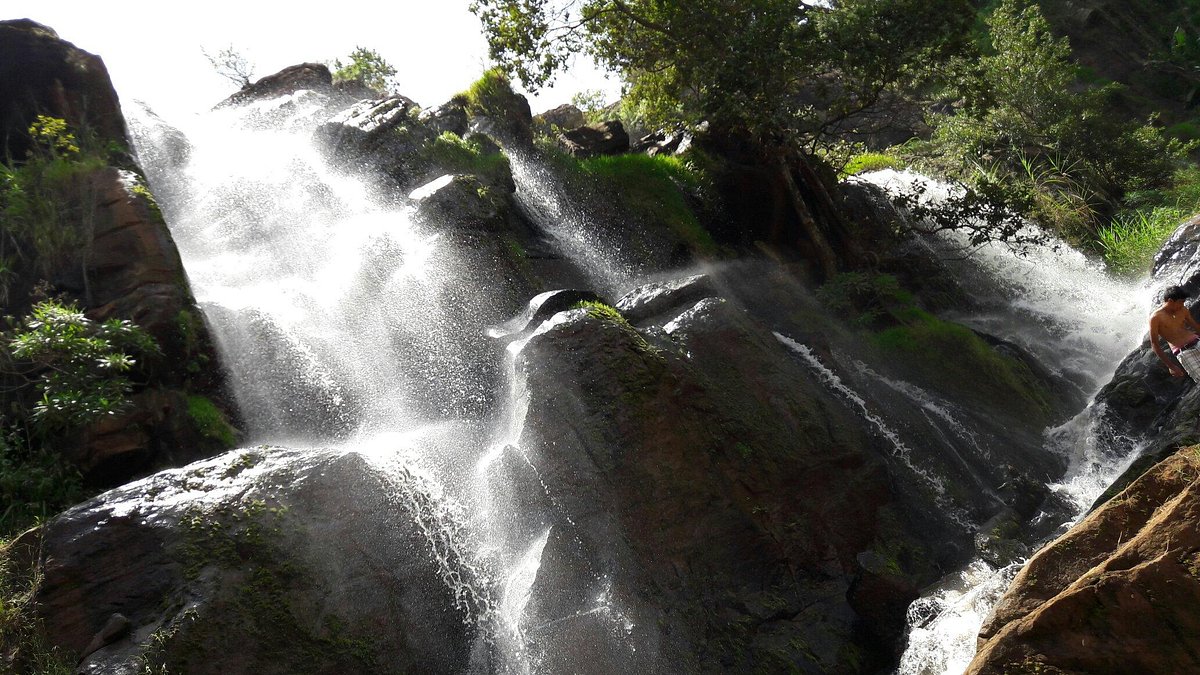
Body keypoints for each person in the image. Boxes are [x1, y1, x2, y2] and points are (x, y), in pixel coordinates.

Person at [1149, 285, 1200, 381]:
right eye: (1180, 302)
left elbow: (1196, 326)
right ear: (1170, 301)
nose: (1182, 305)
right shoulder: (1155, 318)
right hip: (1183, 352)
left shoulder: (1183, 310)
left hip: (1197, 342)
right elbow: (1154, 344)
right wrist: (1171, 366)